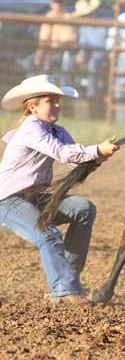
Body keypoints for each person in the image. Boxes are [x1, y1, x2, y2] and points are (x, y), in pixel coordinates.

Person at [0, 75, 119, 304]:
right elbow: (63, 153)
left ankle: (68, 281)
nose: (57, 105)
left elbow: (76, 163)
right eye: (50, 100)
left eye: (57, 100)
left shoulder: (57, 130)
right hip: (7, 200)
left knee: (83, 209)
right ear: (32, 107)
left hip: (33, 197)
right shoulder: (31, 128)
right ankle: (64, 290)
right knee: (48, 235)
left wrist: (98, 158)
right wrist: (97, 150)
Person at [21, 0, 78, 86]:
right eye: (55, 2)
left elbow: (67, 41)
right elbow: (43, 38)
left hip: (63, 52)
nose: (57, 4)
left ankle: (47, 90)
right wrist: (40, 53)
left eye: (59, 2)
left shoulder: (68, 18)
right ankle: (31, 88)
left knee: (48, 64)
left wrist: (48, 53)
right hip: (47, 50)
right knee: (29, 62)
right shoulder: (49, 16)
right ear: (51, 4)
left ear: (63, 4)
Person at [71, 0, 107, 100]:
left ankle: (91, 95)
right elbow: (83, 44)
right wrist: (81, 54)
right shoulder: (84, 26)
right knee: (70, 62)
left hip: (101, 52)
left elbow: (104, 44)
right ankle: (70, 93)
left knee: (93, 63)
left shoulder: (103, 24)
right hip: (88, 51)